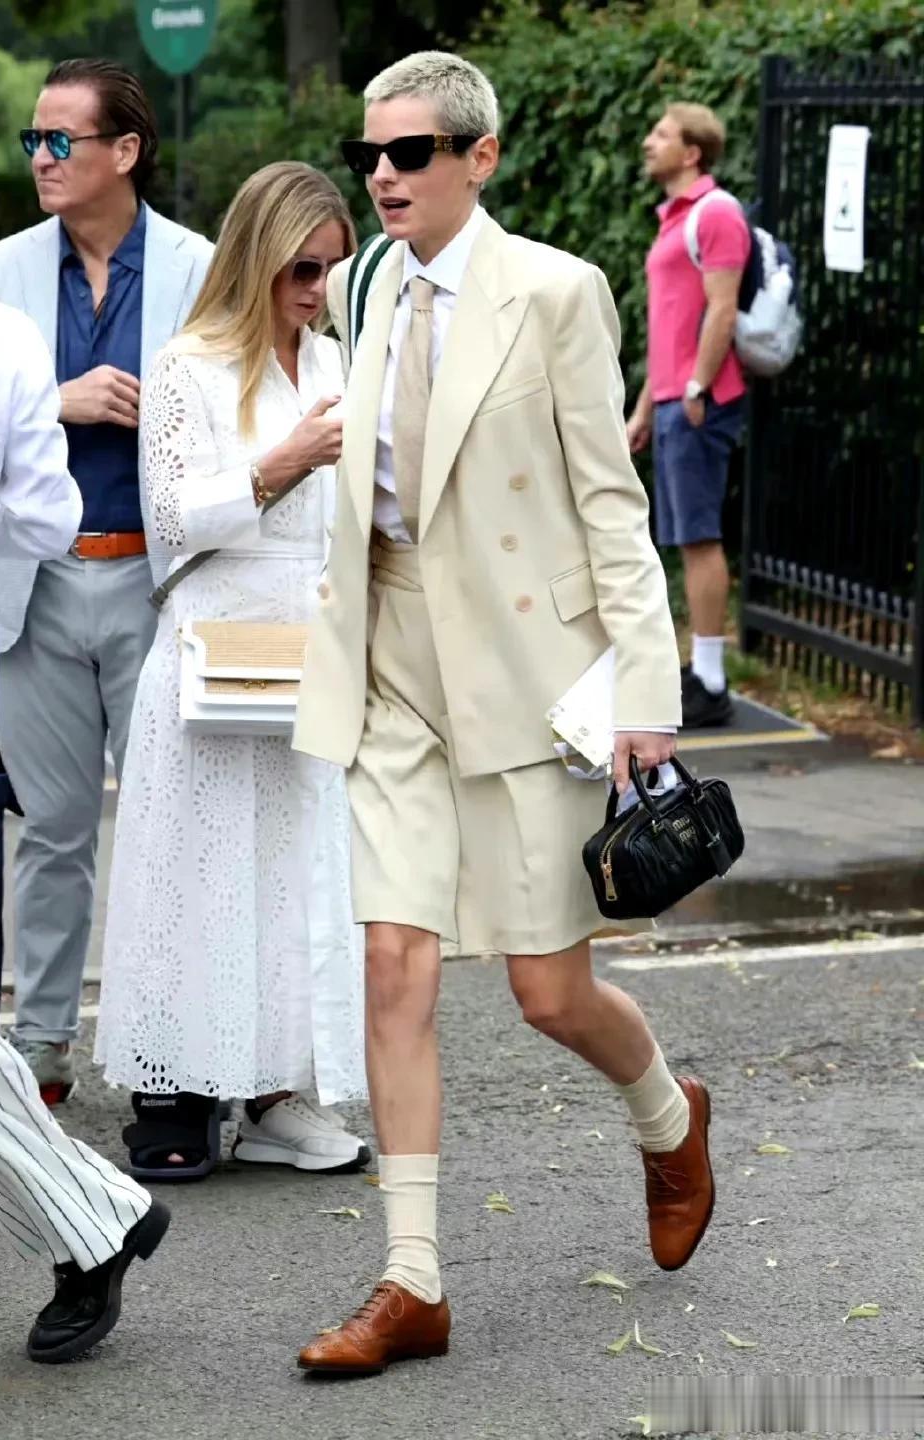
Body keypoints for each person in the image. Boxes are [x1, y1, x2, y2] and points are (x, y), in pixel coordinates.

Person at [291, 52, 714, 1376]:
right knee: (392, 958)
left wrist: (644, 688)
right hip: (391, 659)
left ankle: (668, 1116)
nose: (383, 175)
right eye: (371, 154)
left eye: (411, 153)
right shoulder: (365, 282)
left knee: (547, 990)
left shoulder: (556, 291)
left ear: (480, 157)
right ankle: (411, 1278)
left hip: (529, 672)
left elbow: (608, 503)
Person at [94, 162, 369, 1180]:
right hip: (215, 646)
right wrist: (282, 460)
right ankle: (177, 1091)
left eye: (333, 270)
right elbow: (170, 518)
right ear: (257, 257)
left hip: (313, 646)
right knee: (197, 875)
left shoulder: (336, 359)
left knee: (297, 876)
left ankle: (276, 1094)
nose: (316, 291)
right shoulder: (188, 364)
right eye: (302, 269)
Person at [0, 59, 214, 1105]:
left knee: (173, 834)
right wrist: (55, 399)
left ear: (126, 150)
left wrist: (168, 407)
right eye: (34, 138)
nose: (40, 156)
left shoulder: (202, 268)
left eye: (60, 139)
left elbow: (244, 404)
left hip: (161, 583)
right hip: (34, 584)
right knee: (50, 831)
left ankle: (175, 1047)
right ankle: (40, 1046)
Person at [0, 237, 169, 1368]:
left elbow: (34, 520)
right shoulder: (4, 332)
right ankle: (97, 1217)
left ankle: (95, 1218)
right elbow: (36, 518)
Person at [626, 102, 750, 728]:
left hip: (701, 400)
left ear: (693, 152)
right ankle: (699, 670)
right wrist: (646, 406)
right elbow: (670, 327)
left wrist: (698, 386)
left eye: (662, 134)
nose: (649, 143)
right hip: (674, 399)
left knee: (699, 537)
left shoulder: (716, 212)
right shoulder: (674, 217)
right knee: (683, 537)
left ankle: (711, 682)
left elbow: (721, 309)